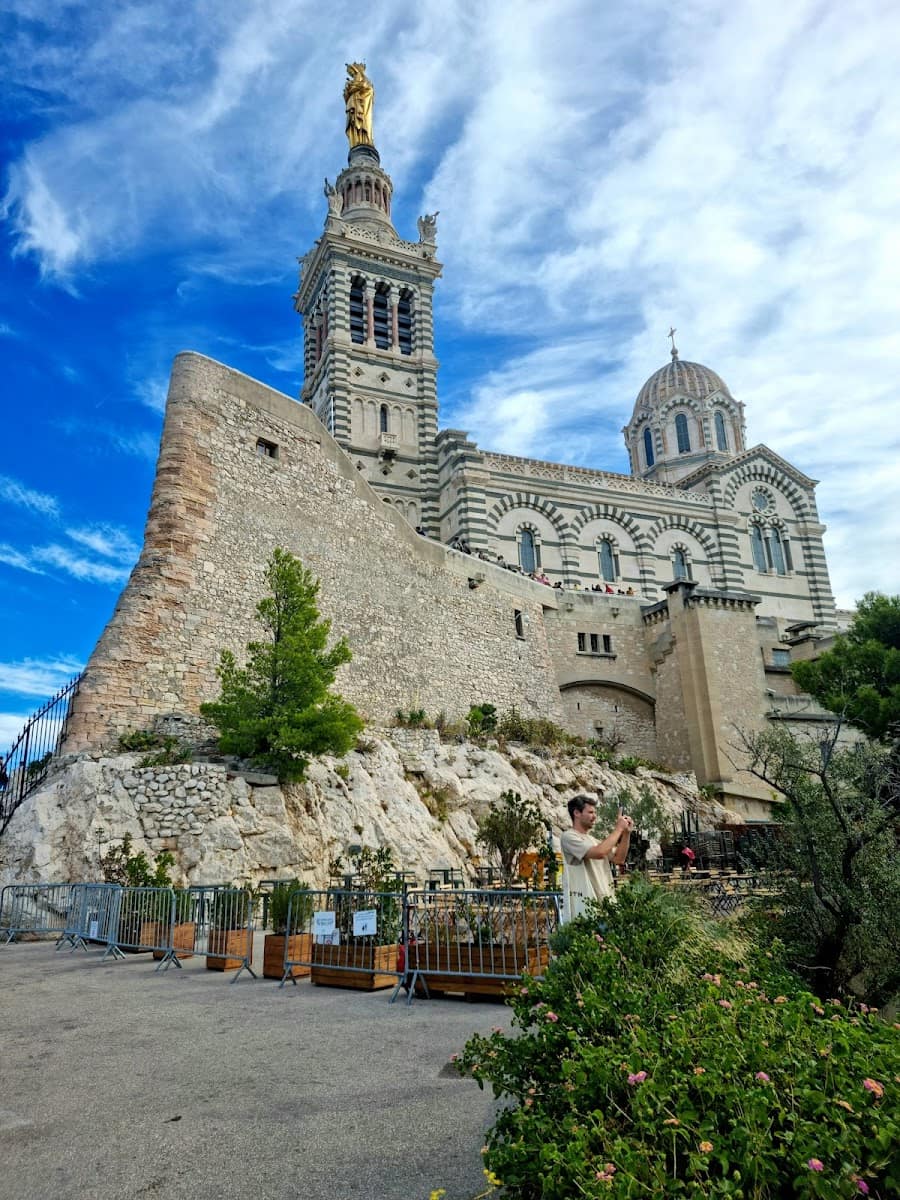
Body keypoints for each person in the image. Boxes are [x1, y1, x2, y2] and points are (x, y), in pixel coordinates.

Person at [560, 794, 633, 921]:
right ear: (577, 813)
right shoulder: (569, 837)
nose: (595, 817)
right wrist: (618, 829)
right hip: (586, 910)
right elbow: (599, 852)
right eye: (590, 812)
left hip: (606, 906)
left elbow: (618, 859)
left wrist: (626, 833)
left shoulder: (593, 840)